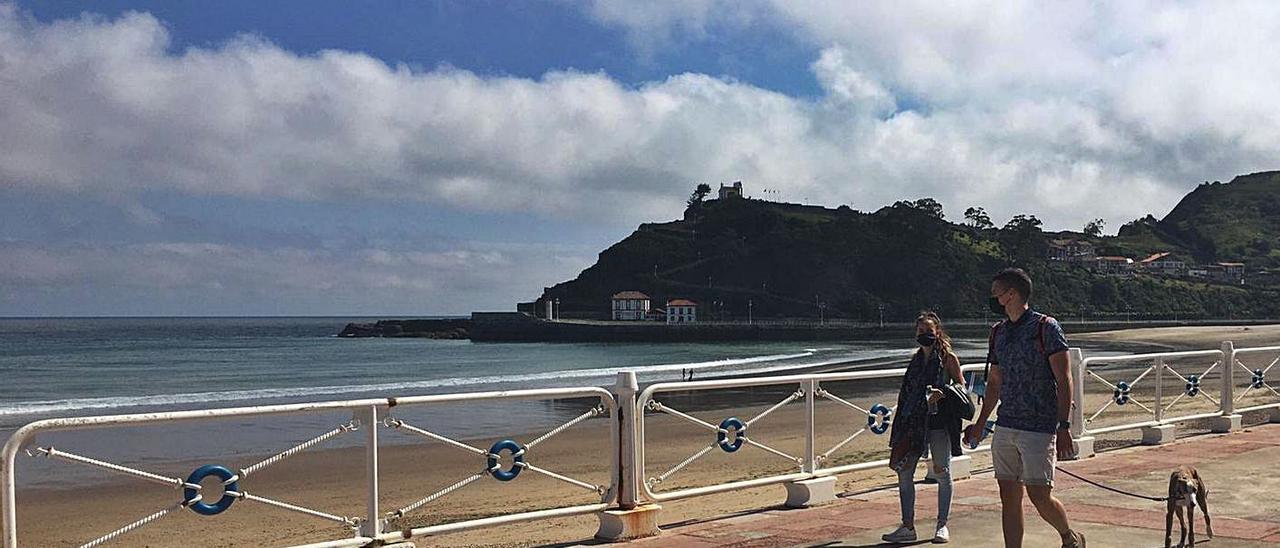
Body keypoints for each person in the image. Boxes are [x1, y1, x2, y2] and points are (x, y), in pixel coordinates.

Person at [964, 268, 1086, 548]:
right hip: (1007, 423)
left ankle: (1069, 537)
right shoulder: (998, 332)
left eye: (996, 293)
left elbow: (1064, 378)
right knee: (1008, 494)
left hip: (1039, 427)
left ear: (1012, 294)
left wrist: (1063, 425)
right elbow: (994, 382)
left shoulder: (1046, 327)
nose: (992, 299)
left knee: (1039, 495)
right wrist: (981, 422)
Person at [881, 311, 965, 544]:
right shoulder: (915, 360)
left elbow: (962, 387)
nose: (924, 335)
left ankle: (942, 525)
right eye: (920, 331)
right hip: (913, 424)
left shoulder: (948, 358)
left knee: (942, 472)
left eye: (928, 331)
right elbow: (906, 393)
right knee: (904, 472)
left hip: (939, 425)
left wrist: (944, 393)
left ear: (937, 332)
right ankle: (908, 526)